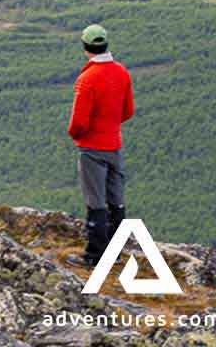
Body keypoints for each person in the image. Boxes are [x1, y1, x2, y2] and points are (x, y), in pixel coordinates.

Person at [67, 23, 134, 266]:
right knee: (116, 198)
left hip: (92, 148)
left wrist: (76, 135)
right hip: (114, 144)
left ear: (85, 47)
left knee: (95, 201)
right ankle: (115, 253)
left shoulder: (87, 79)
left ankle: (95, 255)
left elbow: (79, 122)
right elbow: (128, 111)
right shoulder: (122, 73)